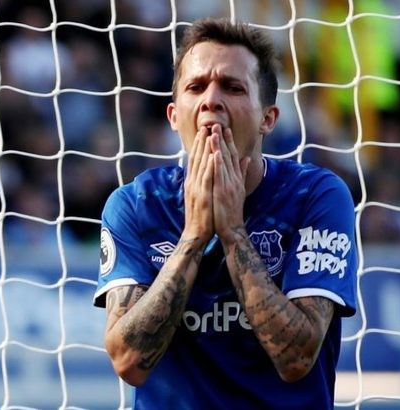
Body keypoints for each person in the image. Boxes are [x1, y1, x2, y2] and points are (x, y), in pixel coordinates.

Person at [93, 17, 357, 409]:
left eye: (232, 87)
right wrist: (194, 236)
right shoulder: (137, 205)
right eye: (196, 87)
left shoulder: (315, 196)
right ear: (173, 115)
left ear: (268, 118)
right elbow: (128, 362)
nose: (211, 100)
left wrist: (233, 232)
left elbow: (296, 358)